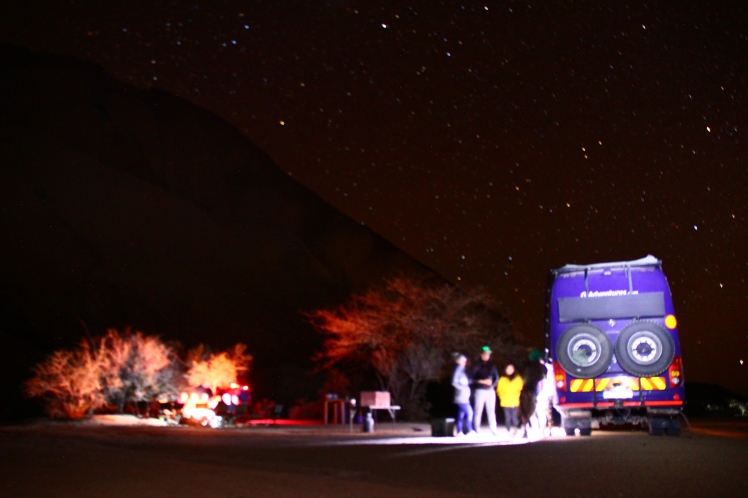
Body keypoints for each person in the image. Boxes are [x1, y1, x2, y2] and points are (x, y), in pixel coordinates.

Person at [472, 346, 499, 435]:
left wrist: (492, 383)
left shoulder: (492, 365)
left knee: (491, 411)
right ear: (481, 354)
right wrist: (482, 381)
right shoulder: (476, 365)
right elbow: (472, 378)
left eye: (488, 354)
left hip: (490, 390)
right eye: (485, 354)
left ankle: (493, 429)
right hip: (480, 390)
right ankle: (476, 428)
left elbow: (496, 377)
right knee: (478, 410)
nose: (487, 355)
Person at [497, 363, 523, 437]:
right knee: (507, 417)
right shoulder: (502, 379)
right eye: (508, 369)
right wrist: (502, 397)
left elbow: (520, 389)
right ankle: (508, 430)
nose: (509, 370)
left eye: (511, 369)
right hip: (505, 401)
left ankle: (516, 430)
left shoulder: (518, 379)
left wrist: (517, 396)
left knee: (514, 417)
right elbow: (499, 390)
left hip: (515, 401)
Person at [451, 353, 475, 436]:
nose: (465, 363)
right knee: (470, 412)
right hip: (461, 397)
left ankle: (459, 432)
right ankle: (469, 430)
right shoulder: (458, 369)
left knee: (461, 414)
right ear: (459, 361)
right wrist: (462, 389)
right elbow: (454, 382)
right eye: (463, 361)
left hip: (464, 397)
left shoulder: (462, 370)